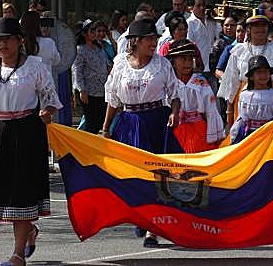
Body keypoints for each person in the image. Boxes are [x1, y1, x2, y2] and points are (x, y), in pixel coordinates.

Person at [0, 17, 62, 266]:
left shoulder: (35, 67)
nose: (2, 44)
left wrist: (47, 112)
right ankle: (28, 231)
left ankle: (17, 255)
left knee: (22, 193)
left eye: (7, 39)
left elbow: (50, 99)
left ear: (19, 41)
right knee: (4, 190)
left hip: (27, 134)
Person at [102, 18, 182, 247]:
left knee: (156, 176)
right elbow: (113, 99)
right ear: (135, 42)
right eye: (148, 39)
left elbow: (174, 93)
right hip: (129, 123)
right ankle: (141, 216)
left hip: (156, 121)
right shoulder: (120, 65)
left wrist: (174, 113)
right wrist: (106, 129)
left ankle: (152, 229)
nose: (153, 43)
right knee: (131, 175)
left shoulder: (162, 65)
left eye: (155, 39)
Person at [217, 9, 273, 129]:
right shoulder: (238, 51)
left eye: (263, 25)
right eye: (255, 26)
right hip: (245, 102)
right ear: (248, 29)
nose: (260, 29)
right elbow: (232, 82)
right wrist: (229, 113)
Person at [166, 39, 225, 153]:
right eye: (183, 59)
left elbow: (211, 109)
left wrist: (215, 133)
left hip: (199, 130)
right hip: (175, 129)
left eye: (190, 59)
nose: (187, 63)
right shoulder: (169, 82)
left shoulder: (200, 82)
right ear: (173, 61)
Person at [230, 56, 273, 144]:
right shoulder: (245, 95)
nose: (263, 75)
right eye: (259, 72)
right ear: (251, 77)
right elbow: (241, 117)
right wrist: (234, 134)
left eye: (266, 72)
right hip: (250, 135)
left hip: (270, 134)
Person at [71, 19, 109, 134]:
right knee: (91, 122)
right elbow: (77, 71)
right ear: (84, 33)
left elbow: (105, 63)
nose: (95, 33)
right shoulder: (80, 50)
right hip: (89, 92)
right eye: (91, 31)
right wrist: (82, 90)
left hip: (102, 90)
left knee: (100, 121)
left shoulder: (98, 48)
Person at [186, 0, 220, 84]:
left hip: (213, 64)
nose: (202, 8)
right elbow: (190, 45)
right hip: (199, 67)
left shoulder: (211, 21)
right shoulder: (189, 23)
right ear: (192, 8)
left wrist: (217, 19)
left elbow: (218, 36)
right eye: (198, 6)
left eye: (203, 5)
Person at [20, 11, 61, 79]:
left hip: (26, 86)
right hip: (46, 85)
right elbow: (57, 61)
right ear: (38, 25)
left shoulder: (19, 44)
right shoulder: (49, 43)